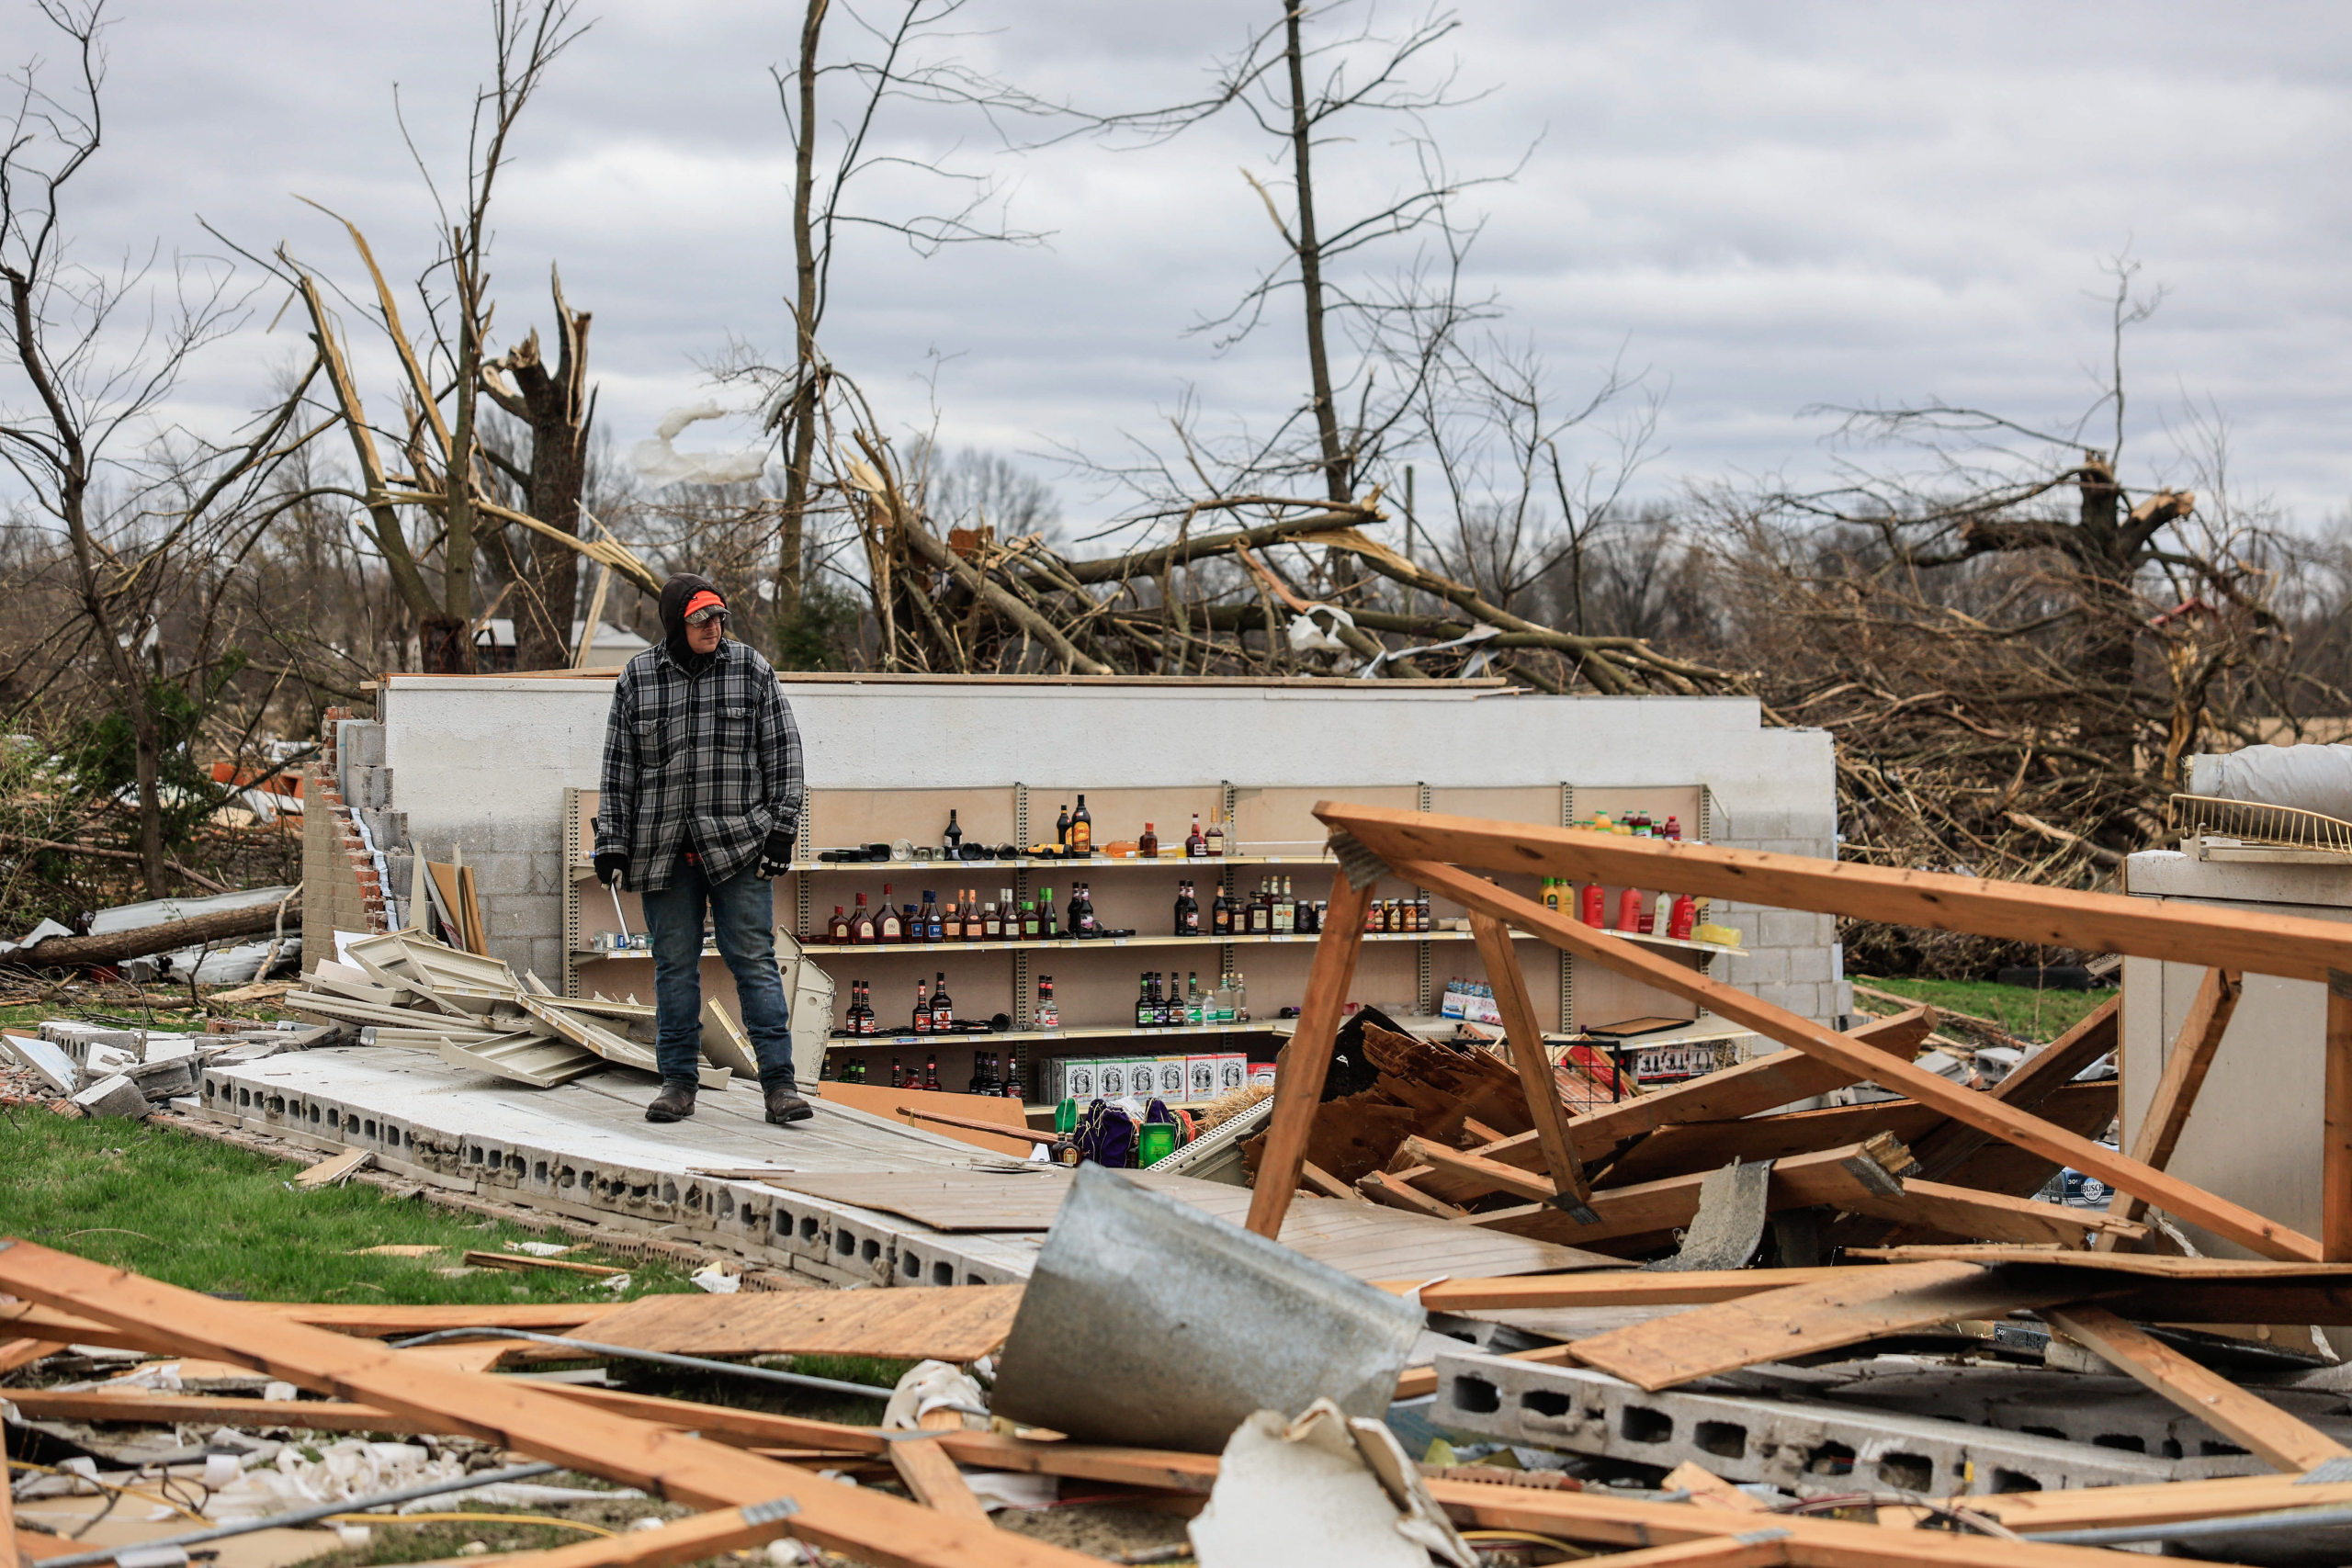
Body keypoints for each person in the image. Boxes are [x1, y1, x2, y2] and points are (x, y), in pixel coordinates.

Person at [594, 573, 811, 1126]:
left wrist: (783, 831)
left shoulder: (751, 670)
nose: (714, 627)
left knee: (755, 964)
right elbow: (619, 769)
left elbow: (784, 755)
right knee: (673, 968)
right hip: (661, 850)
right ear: (674, 624)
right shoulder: (637, 679)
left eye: (719, 618)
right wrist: (611, 844)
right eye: (700, 620)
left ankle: (779, 1087)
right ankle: (677, 1083)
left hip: (739, 845)